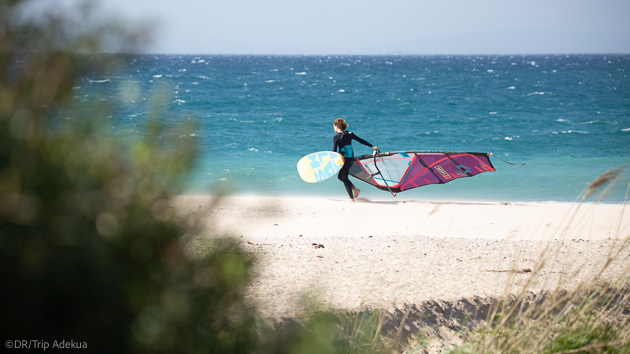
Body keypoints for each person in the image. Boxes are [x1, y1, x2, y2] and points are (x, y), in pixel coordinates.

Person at [332, 118, 378, 201]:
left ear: (336, 126)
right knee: (340, 177)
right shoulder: (349, 134)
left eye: (334, 126)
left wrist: (331, 162)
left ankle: (352, 198)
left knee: (344, 178)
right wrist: (372, 146)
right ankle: (355, 189)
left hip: (343, 160)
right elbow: (360, 140)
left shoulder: (336, 138)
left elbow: (334, 152)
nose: (334, 128)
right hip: (351, 159)